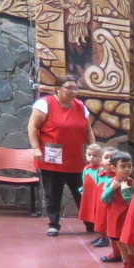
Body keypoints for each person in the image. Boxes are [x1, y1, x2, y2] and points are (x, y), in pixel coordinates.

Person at [27, 74, 97, 237]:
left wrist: (94, 149)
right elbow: (32, 126)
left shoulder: (80, 106)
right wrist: (36, 148)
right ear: (57, 89)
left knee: (83, 192)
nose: (74, 91)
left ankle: (91, 223)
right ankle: (54, 224)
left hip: (76, 159)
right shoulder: (45, 104)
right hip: (53, 159)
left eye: (75, 88)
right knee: (53, 193)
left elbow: (88, 131)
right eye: (69, 88)